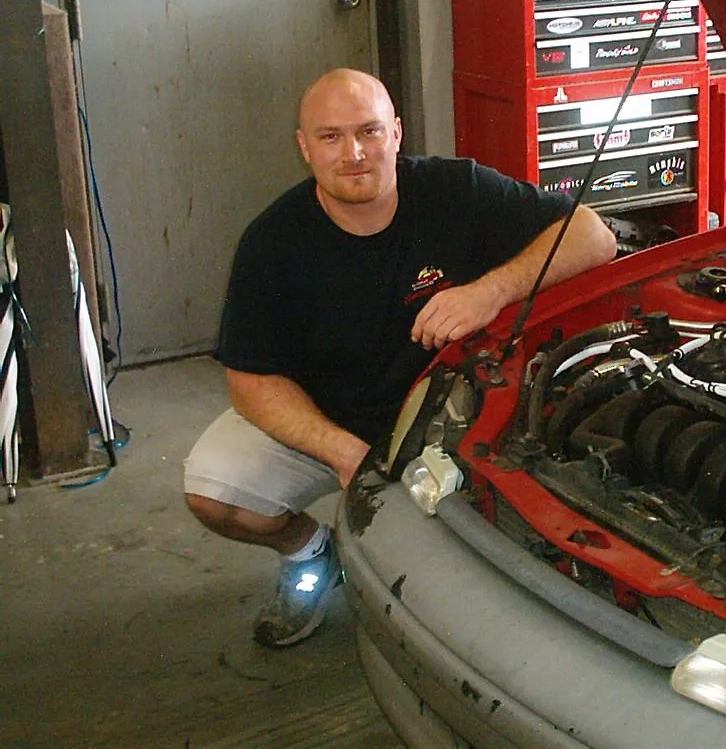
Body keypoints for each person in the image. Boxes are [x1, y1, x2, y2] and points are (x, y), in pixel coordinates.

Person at [184, 68, 617, 647]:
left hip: (457, 426)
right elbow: (250, 382)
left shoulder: (455, 189)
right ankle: (310, 554)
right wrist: (346, 455)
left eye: (368, 131)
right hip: (331, 428)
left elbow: (594, 235)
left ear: (396, 132)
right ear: (304, 147)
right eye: (331, 137)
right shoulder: (271, 244)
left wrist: (489, 291)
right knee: (215, 495)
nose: (354, 153)